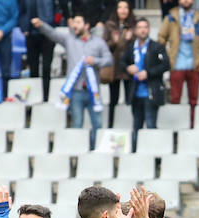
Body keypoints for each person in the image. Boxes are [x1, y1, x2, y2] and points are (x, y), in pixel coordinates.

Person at [32, 13, 113, 149]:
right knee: (77, 124)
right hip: (76, 92)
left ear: (86, 25)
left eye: (78, 22)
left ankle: (96, 152)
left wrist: (95, 61)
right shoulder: (69, 40)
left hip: (94, 91)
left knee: (98, 124)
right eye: (74, 22)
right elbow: (53, 34)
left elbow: (109, 59)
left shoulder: (98, 42)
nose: (75, 25)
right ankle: (78, 154)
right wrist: (41, 25)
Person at [159, 0, 199, 128]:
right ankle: (176, 126)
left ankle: (192, 125)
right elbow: (161, 37)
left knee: (194, 100)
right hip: (176, 65)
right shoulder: (171, 17)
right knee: (175, 98)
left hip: (194, 64)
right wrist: (167, 56)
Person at [123, 18, 169, 152]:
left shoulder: (157, 46)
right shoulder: (131, 47)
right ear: (136, 30)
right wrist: (128, 68)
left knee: (150, 125)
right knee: (136, 126)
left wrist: (148, 73)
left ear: (149, 29)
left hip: (150, 93)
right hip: (135, 93)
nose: (143, 30)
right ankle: (136, 153)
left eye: (145, 27)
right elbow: (122, 63)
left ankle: (152, 155)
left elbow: (166, 65)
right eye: (140, 27)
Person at [104, 0, 136, 129]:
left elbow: (140, 46)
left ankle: (131, 126)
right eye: (120, 7)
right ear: (116, 10)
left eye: (125, 7)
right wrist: (114, 41)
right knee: (113, 100)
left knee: (130, 100)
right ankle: (111, 125)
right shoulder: (110, 25)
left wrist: (131, 39)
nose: (123, 10)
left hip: (129, 68)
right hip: (114, 68)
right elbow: (103, 46)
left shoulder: (134, 26)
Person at [20, 0, 55, 101]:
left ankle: (46, 98)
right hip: (31, 35)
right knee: (33, 70)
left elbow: (56, 10)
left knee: (46, 68)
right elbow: (21, 11)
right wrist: (24, 28)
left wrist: (49, 25)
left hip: (48, 35)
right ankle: (35, 98)